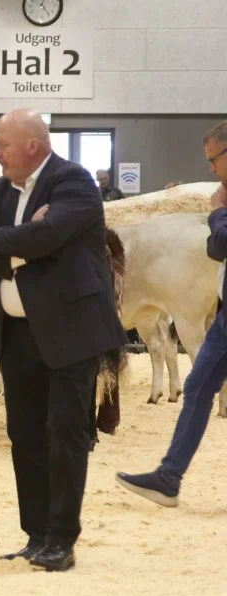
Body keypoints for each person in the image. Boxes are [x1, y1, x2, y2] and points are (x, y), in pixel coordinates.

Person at [0, 108, 125, 572]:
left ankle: (61, 539)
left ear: (32, 146)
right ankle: (36, 535)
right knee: (24, 434)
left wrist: (9, 242)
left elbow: (50, 235)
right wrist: (20, 242)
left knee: (66, 434)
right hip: (17, 335)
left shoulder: (73, 182)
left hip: (71, 332)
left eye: (3, 144)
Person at [116, 121, 227, 508]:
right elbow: (216, 250)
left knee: (198, 387)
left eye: (214, 159)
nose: (211, 168)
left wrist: (217, 214)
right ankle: (168, 478)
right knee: (197, 388)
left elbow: (224, 240)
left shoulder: (220, 201)